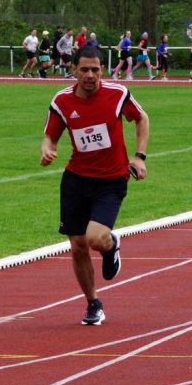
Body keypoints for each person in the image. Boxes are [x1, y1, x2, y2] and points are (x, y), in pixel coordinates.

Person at [40, 44, 149, 327]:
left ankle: (111, 245)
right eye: (85, 70)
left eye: (96, 70)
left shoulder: (117, 94)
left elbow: (141, 118)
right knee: (77, 246)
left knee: (95, 239)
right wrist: (47, 149)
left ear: (102, 70)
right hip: (76, 179)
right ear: (73, 70)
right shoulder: (62, 101)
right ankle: (93, 303)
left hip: (111, 180)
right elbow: (50, 136)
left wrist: (139, 156)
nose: (90, 76)